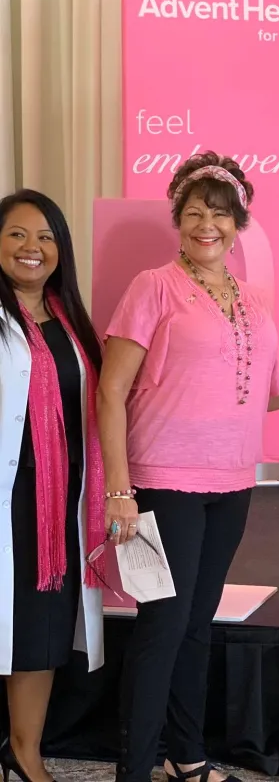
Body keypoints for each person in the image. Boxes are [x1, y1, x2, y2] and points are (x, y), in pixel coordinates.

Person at [97, 151, 279, 782]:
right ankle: (133, 770)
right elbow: (111, 391)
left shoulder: (250, 300)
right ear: (178, 221)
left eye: (219, 214)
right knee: (162, 628)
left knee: (196, 626)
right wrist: (119, 489)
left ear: (238, 224)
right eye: (193, 213)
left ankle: (185, 757)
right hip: (163, 481)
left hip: (232, 484)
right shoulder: (152, 287)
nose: (205, 225)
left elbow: (269, 393)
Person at [0, 189, 106, 782]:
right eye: (17, 234)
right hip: (5, 493)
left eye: (45, 237)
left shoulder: (70, 322)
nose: (32, 248)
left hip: (54, 501)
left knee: (39, 629)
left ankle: (25, 753)